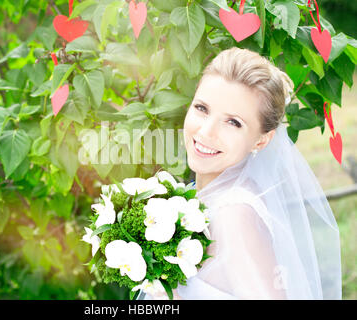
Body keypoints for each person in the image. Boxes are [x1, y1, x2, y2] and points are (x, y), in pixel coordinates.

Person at [139, 47, 342, 300]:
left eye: (233, 122)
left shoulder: (233, 215)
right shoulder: (203, 197)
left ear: (261, 141)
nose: (205, 132)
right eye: (202, 108)